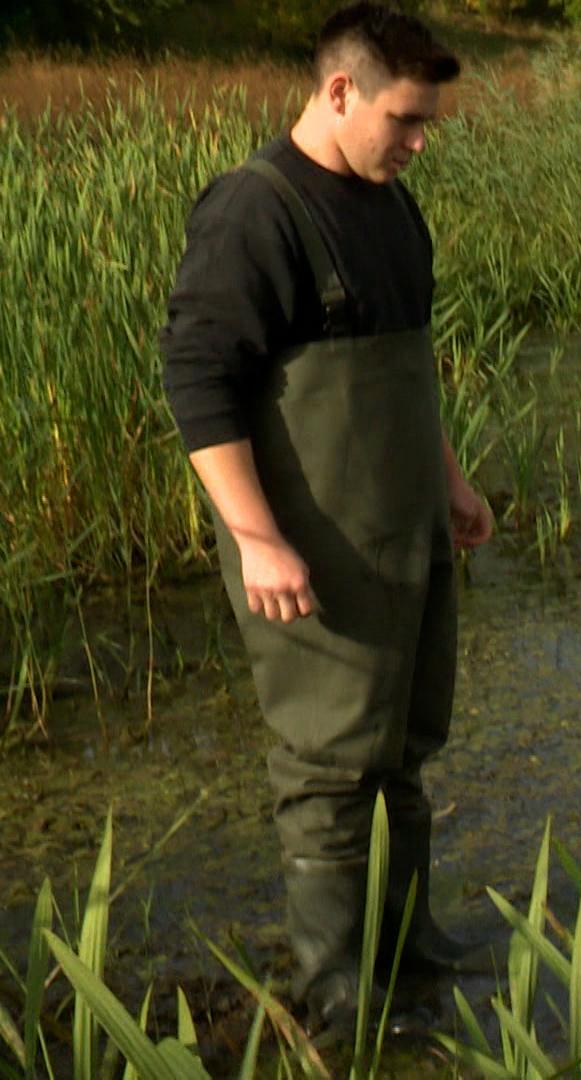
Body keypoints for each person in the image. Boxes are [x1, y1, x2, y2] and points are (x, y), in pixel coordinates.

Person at [160, 2, 490, 1034]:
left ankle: (409, 941)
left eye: (427, 121)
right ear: (338, 90)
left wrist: (450, 478)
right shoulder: (254, 211)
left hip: (404, 529)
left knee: (403, 743)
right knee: (329, 761)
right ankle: (339, 985)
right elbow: (199, 378)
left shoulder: (392, 205)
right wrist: (257, 535)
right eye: (405, 118)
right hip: (309, 541)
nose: (421, 141)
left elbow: (402, 360)